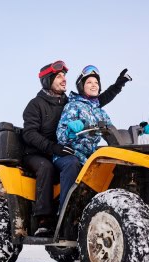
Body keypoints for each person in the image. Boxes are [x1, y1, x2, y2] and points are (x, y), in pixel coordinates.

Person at [22, 61, 131, 236]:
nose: (64, 79)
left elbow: (97, 101)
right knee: (47, 167)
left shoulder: (68, 101)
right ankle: (44, 219)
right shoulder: (36, 104)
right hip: (37, 152)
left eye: (64, 75)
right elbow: (29, 134)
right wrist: (53, 147)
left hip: (63, 147)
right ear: (47, 80)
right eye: (59, 76)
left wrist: (118, 85)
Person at [55, 65, 132, 208]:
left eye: (96, 83)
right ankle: (65, 210)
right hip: (71, 153)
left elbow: (111, 130)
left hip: (90, 154)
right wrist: (70, 131)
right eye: (89, 82)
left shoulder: (99, 112)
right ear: (81, 86)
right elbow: (61, 136)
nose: (93, 85)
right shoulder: (73, 106)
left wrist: (136, 130)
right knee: (72, 165)